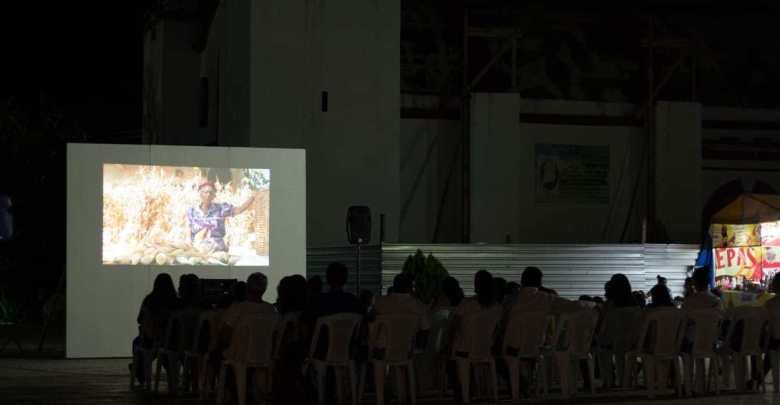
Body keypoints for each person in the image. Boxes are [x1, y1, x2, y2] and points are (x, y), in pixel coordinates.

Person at [133, 273, 180, 384]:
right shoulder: (176, 302)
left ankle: (139, 369)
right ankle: (171, 374)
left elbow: (139, 319)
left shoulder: (149, 300)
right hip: (172, 342)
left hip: (151, 340)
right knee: (165, 350)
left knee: (137, 343)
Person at [186, 180, 255, 252]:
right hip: (197, 249)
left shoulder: (221, 209)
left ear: (214, 195)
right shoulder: (192, 211)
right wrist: (189, 244)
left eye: (211, 192)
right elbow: (188, 231)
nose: (208, 195)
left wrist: (253, 197)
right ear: (200, 194)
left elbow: (238, 210)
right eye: (205, 192)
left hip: (217, 249)